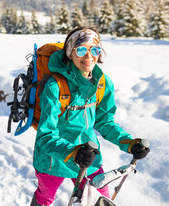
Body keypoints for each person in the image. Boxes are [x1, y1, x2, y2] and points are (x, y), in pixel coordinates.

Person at [30, 27, 150, 206]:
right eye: (81, 50)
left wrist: (130, 143)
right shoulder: (56, 86)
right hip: (53, 158)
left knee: (100, 200)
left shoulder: (102, 83)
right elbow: (45, 136)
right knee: (45, 198)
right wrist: (74, 152)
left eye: (94, 49)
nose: (88, 56)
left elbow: (105, 122)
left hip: (89, 156)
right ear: (70, 53)